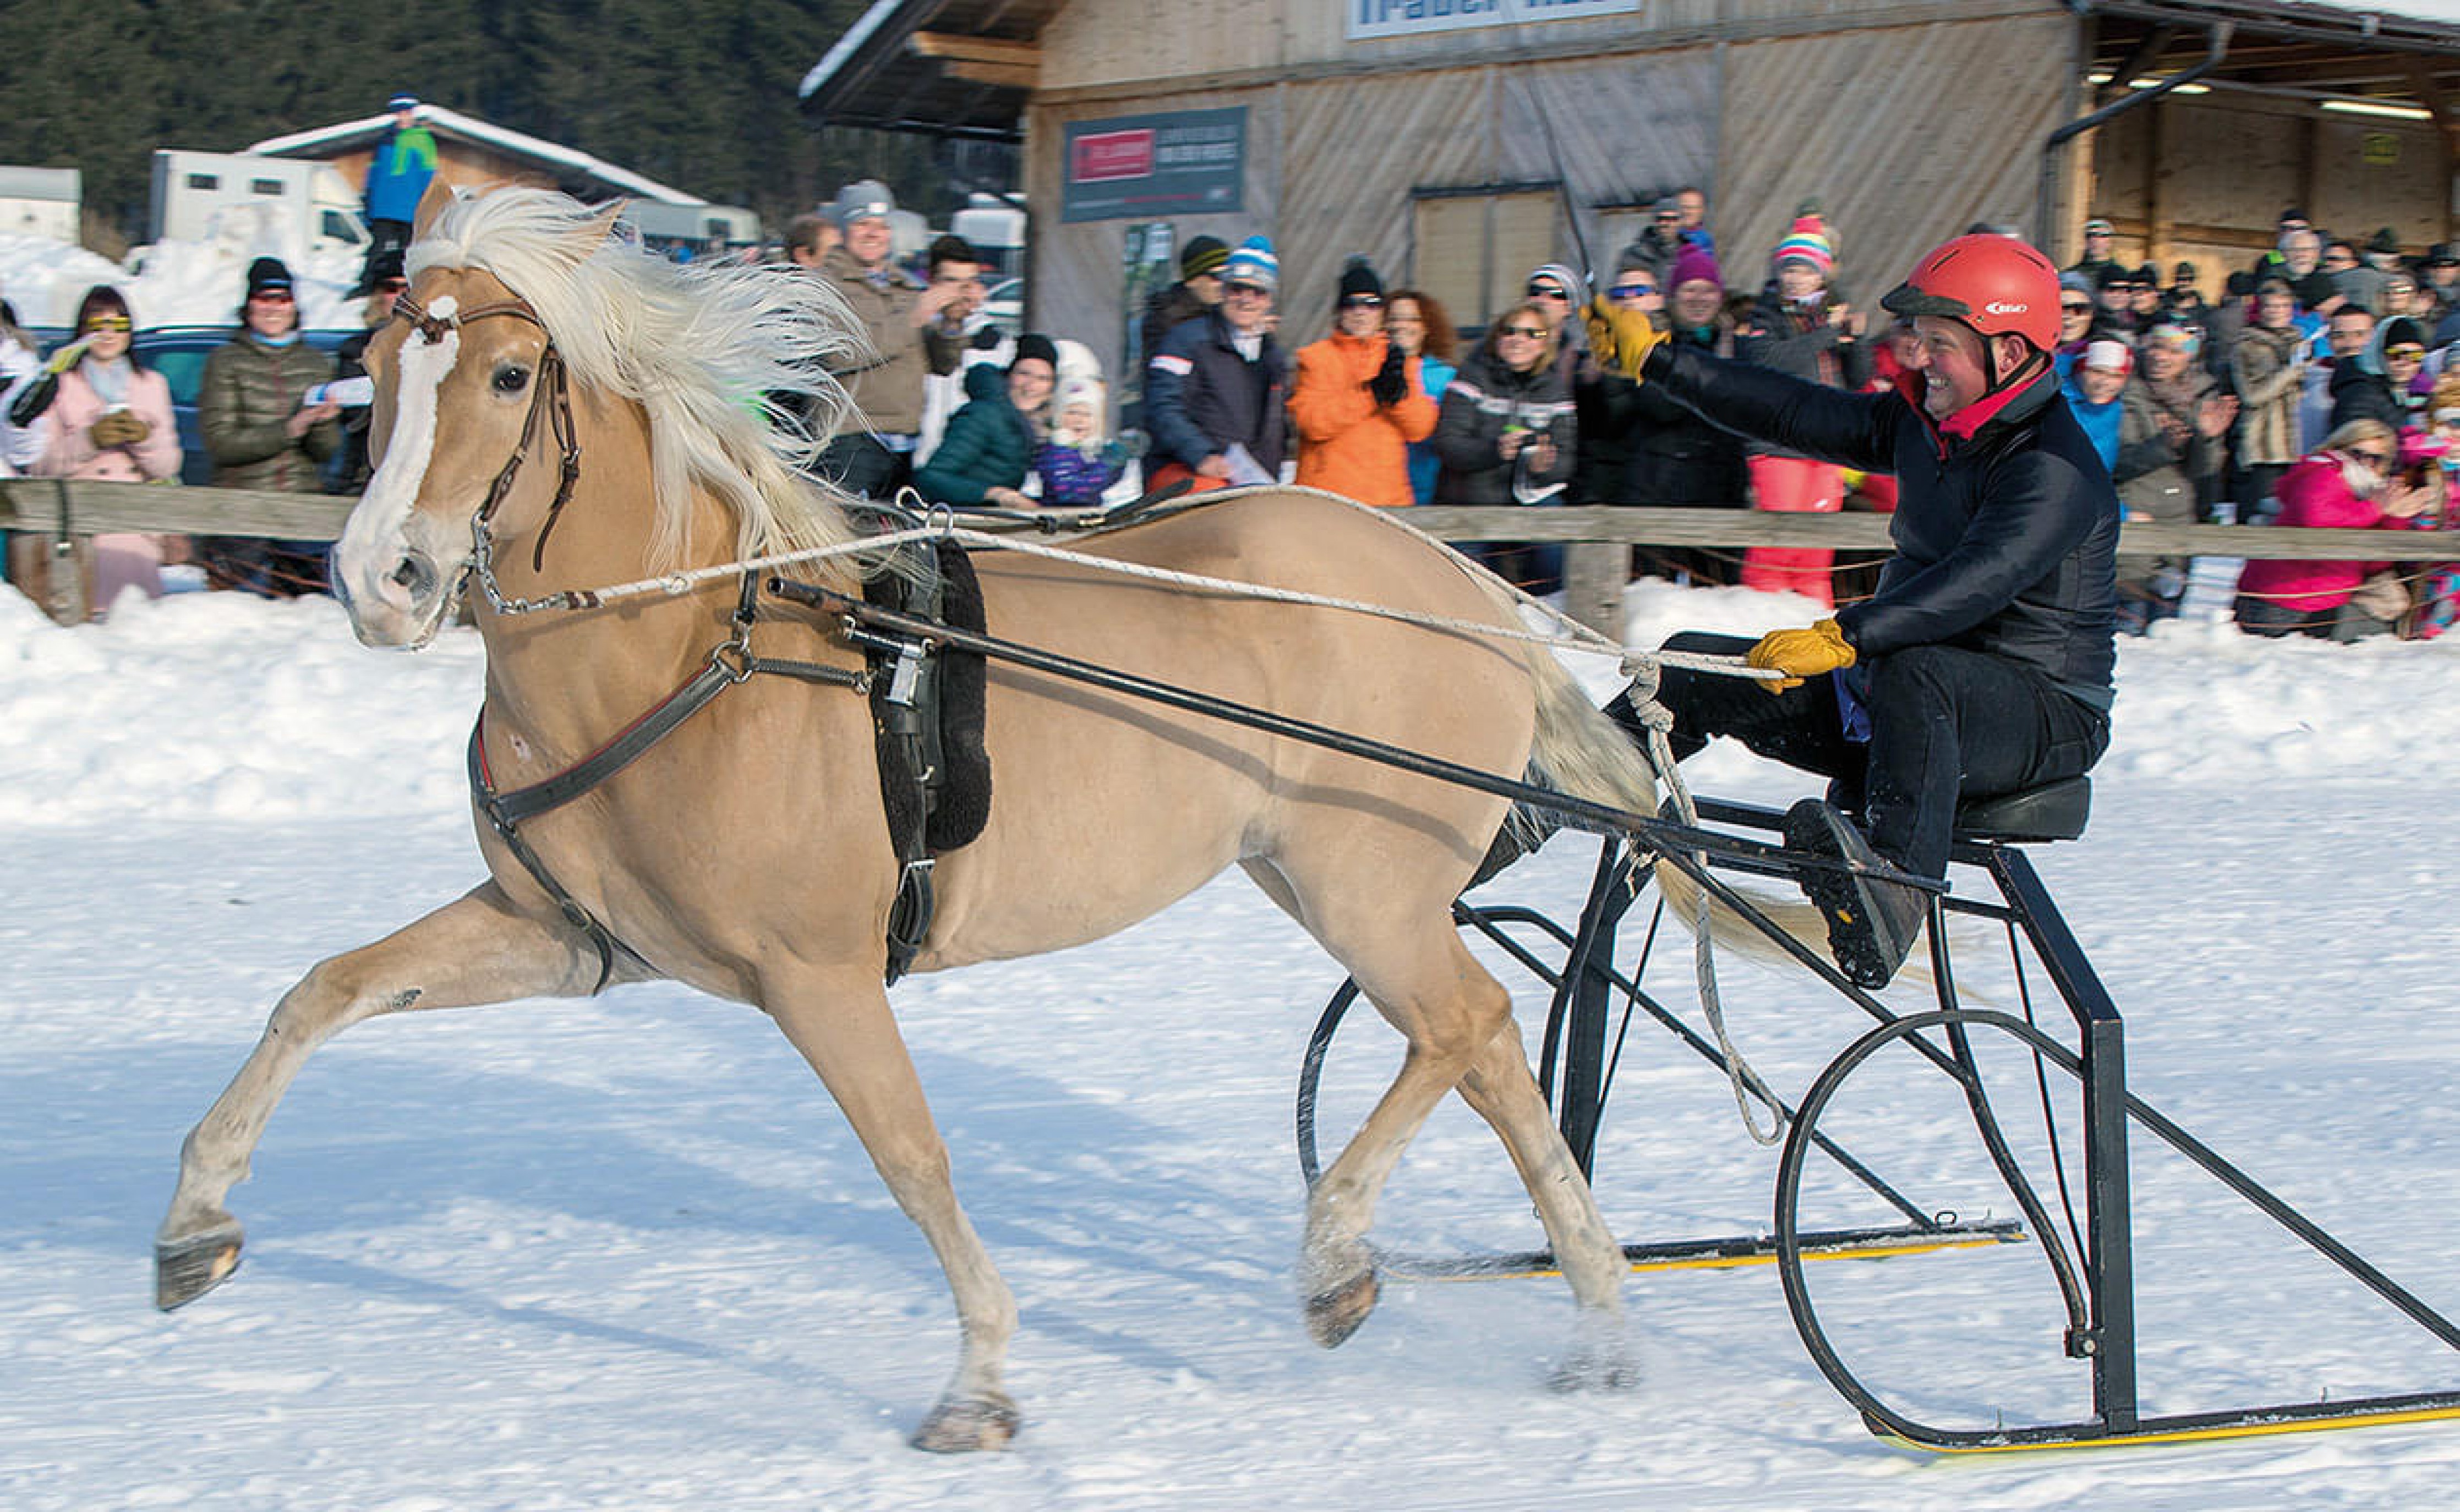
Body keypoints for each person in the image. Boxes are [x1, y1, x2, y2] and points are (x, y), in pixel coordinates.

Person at [1579, 232, 2117, 989]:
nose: (1917, 359)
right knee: (1691, 662)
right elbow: (1794, 412)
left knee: (1920, 669)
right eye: (1916, 340)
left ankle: (1893, 895)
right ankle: (1532, 803)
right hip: (1906, 691)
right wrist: (1658, 359)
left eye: (1940, 344)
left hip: (2040, 715)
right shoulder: (1923, 427)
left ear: (2008, 350)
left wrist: (1848, 634)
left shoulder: (2050, 468)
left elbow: (1977, 580)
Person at [3, 286, 183, 615]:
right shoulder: (59, 384)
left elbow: (168, 465)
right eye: (98, 325)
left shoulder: (151, 384)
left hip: (136, 532)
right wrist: (91, 440)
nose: (108, 334)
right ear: (82, 332)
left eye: (118, 325)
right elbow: (40, 466)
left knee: (136, 624)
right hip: (81, 531)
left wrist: (144, 437)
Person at [1732, 216, 1866, 604]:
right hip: (1778, 444)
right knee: (1776, 546)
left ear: (1821, 277)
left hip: (1826, 444)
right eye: (1789, 269)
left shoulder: (1831, 314)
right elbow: (1773, 361)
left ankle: (1813, 620)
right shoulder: (1764, 316)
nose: (1795, 278)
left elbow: (1858, 377)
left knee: (1816, 553)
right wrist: (1826, 334)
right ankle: (1756, 619)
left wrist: (1855, 339)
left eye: (1805, 271)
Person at [811, 179, 964, 497]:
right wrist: (914, 318)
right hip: (852, 442)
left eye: (881, 225)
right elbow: (842, 353)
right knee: (851, 541)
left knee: (899, 544)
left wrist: (950, 326)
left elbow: (942, 365)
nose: (873, 233)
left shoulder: (904, 286)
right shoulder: (824, 286)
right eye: (862, 224)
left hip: (906, 443)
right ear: (843, 230)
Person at [197, 258, 341, 596]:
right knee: (239, 614)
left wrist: (325, 423)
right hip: (242, 511)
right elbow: (221, 442)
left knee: (303, 618)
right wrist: (289, 430)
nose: (273, 308)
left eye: (282, 299)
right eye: (264, 299)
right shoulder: (226, 361)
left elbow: (325, 452)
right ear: (248, 306)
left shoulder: (316, 363)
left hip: (301, 512)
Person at [2233, 418, 2433, 639]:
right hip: (2281, 601)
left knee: (2388, 624)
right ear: (2340, 448)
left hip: (2322, 601)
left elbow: (2374, 564)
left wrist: (2395, 517)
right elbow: (2317, 518)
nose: (2365, 463)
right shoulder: (2323, 473)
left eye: (2375, 459)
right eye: (2357, 454)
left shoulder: (2369, 492)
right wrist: (2377, 508)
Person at [1432, 299, 1576, 591]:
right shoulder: (1472, 378)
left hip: (1528, 501)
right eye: (1509, 332)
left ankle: (1549, 606)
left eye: (1530, 334)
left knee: (1555, 543)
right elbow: (1448, 444)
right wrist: (1494, 451)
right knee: (1468, 586)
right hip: (1471, 502)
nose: (1517, 340)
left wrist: (1542, 468)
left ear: (1543, 345)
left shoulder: (1554, 390)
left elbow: (1566, 459)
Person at [2113, 322, 2235, 632]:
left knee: (2166, 628)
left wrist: (2206, 439)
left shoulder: (2200, 400)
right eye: (2156, 347)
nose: (2161, 357)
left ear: (2188, 359)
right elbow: (2115, 464)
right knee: (2129, 621)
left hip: (2180, 521)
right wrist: (2162, 447)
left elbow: (2203, 473)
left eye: (2173, 350)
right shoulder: (2127, 396)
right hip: (2137, 515)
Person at [1145, 236, 1288, 492]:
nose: (1246, 300)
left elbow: (1275, 429)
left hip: (1249, 482)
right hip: (1188, 472)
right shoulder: (1186, 340)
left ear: (1269, 301)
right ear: (1223, 292)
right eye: (1237, 289)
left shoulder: (1273, 356)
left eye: (1258, 292)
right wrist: (1201, 455)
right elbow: (1163, 407)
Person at [1290, 256, 1436, 508]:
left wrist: (1399, 398)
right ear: (1339, 311)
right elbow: (1312, 423)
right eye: (1351, 304)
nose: (1361, 312)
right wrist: (1370, 395)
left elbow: (1420, 428)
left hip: (1388, 499)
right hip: (1329, 499)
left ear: (1382, 312)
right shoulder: (1315, 358)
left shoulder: (1398, 359)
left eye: (1371, 304)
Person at [910, 333, 1057, 510]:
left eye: (1043, 378)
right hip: (956, 518)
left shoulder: (1038, 424)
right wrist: (994, 494)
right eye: (1024, 374)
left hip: (992, 517)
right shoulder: (983, 415)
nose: (1031, 386)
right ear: (1008, 375)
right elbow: (931, 478)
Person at [915, 234, 999, 464]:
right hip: (911, 457)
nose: (961, 293)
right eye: (951, 282)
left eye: (969, 283)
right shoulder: (912, 330)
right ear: (932, 282)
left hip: (965, 466)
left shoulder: (993, 341)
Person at [331, 248, 408, 494]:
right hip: (365, 477)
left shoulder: (438, 348)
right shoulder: (356, 350)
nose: (399, 296)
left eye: (408, 288)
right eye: (390, 288)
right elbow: (354, 414)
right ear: (377, 296)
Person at [2232, 277, 2307, 523]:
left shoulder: (2301, 343)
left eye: (2283, 306)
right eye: (2270, 306)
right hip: (2264, 445)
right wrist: (2288, 374)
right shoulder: (2246, 346)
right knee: (2260, 514)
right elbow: (2251, 396)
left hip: (2299, 443)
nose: (2276, 312)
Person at [1385, 287, 1458, 506]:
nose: (1401, 326)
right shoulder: (1369, 371)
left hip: (1429, 487)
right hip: (1381, 486)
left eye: (1412, 319)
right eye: (1394, 319)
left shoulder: (1448, 378)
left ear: (1427, 328)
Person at [359, 94, 438, 293]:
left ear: (412, 114)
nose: (402, 117)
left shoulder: (423, 140)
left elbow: (428, 176)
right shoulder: (384, 141)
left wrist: (428, 204)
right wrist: (369, 198)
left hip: (411, 207)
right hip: (384, 206)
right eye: (399, 113)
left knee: (409, 251)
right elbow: (374, 174)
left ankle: (409, 286)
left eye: (406, 113)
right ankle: (368, 284)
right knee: (378, 248)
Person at [1138, 234, 1231, 378]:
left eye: (1228, 276)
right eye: (1216, 277)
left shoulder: (1225, 314)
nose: (1223, 284)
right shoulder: (1165, 320)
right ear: (1192, 280)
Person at [1032, 377, 1128, 506]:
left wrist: (1119, 464)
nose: (1079, 420)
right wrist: (1107, 467)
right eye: (1072, 413)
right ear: (1059, 417)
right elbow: (1069, 492)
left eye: (1087, 415)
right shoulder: (1055, 451)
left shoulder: (1090, 450)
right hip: (1061, 518)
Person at [2062, 339, 2129, 472]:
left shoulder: (2115, 409)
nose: (2105, 382)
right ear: (2078, 371)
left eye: (2116, 376)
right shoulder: (2052, 400)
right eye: (2097, 372)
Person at [2069, 217, 2120, 286]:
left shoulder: (2120, 274)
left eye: (2101, 236)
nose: (2095, 240)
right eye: (2090, 236)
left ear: (2110, 242)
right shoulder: (2073, 275)